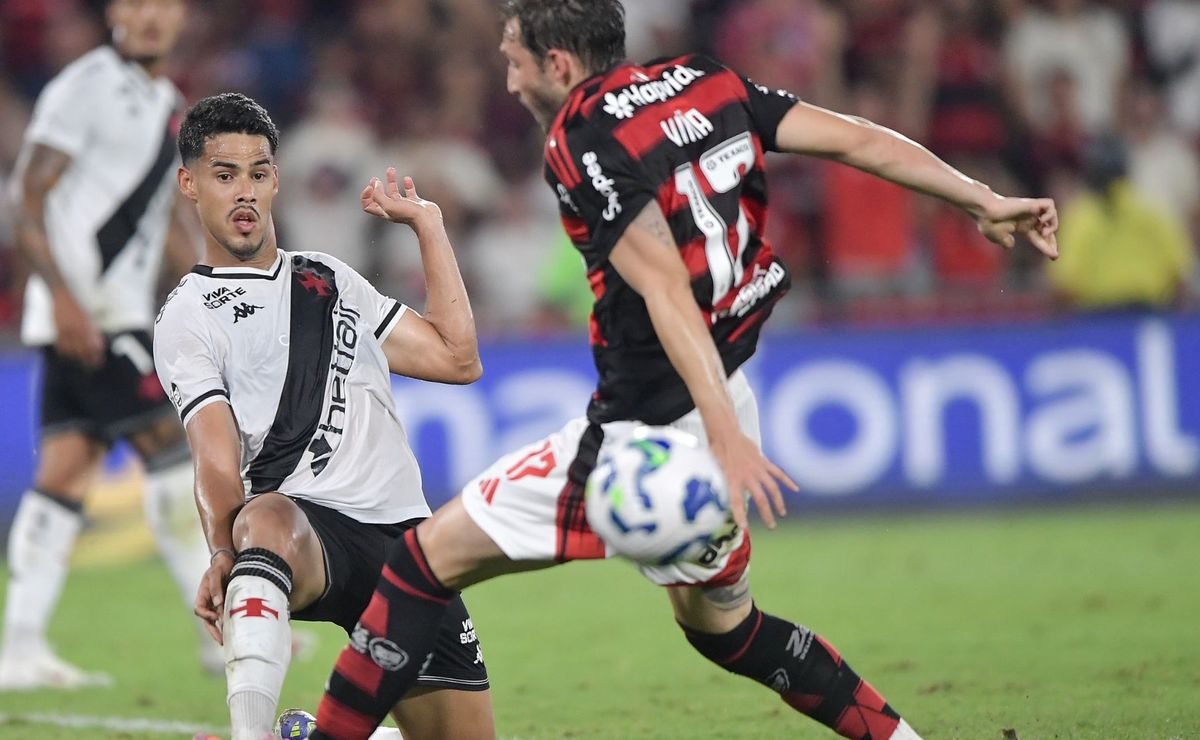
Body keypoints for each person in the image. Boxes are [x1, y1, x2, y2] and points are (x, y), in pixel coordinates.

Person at [311, 2, 1059, 738]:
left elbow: (665, 285)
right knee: (726, 629)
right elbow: (856, 139)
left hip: (645, 435)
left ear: (558, 63)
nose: (506, 81)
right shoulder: (705, 81)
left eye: (513, 60)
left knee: (415, 566)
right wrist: (981, 198)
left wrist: (723, 440)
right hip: (724, 392)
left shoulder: (581, 138)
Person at [154, 92, 494, 740]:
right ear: (190, 184)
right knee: (265, 515)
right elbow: (216, 460)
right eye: (224, 175)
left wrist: (429, 227)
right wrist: (224, 553)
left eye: (257, 172)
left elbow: (458, 358)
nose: (244, 191)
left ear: (277, 180)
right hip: (309, 535)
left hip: (407, 548)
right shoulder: (189, 316)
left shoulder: (331, 279)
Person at [0, 0, 213, 689]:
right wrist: (62, 298)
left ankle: (19, 648)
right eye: (134, 4)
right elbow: (26, 195)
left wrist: (212, 294)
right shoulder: (84, 86)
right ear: (112, 14)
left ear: (184, 19)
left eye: (164, 6)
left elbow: (166, 223)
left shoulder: (164, 101)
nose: (149, 18)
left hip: (110, 314)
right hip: (88, 315)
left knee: (64, 475)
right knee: (173, 450)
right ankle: (221, 634)